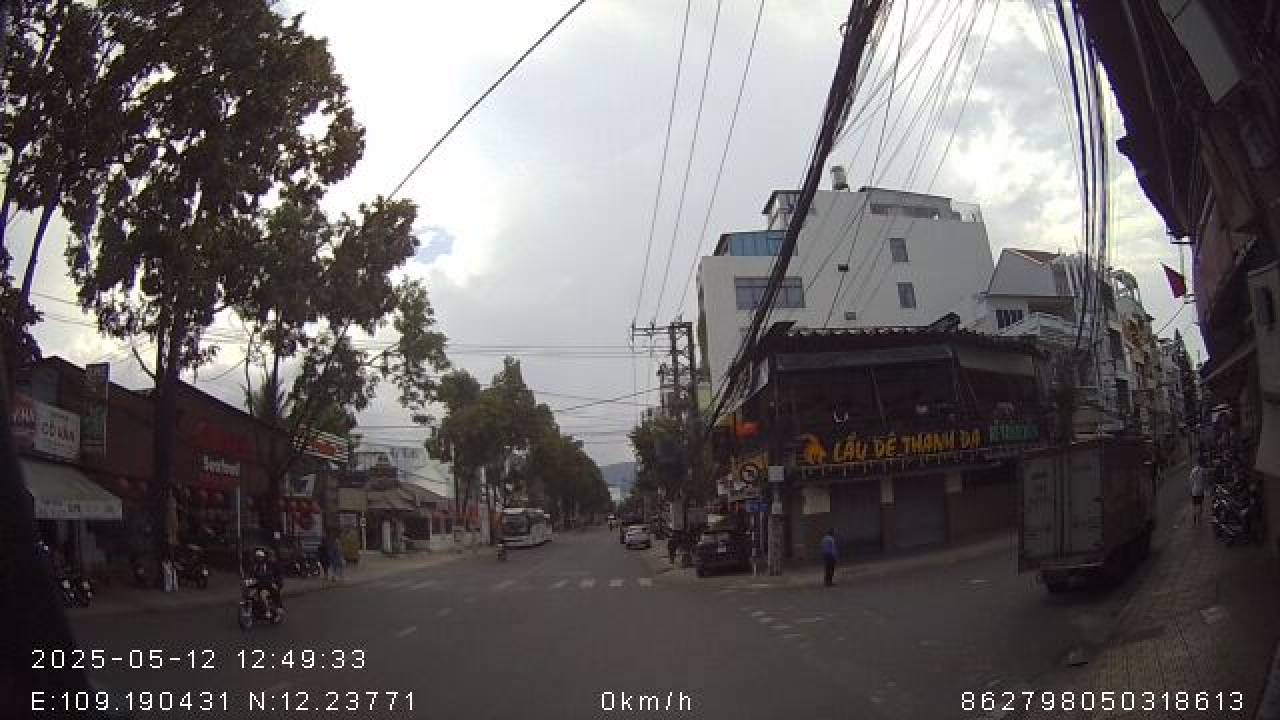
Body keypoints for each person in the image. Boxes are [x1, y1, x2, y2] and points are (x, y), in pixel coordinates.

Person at [1189, 455, 1208, 526]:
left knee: (1194, 505)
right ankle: (1199, 519)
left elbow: (1191, 481)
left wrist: (1191, 489)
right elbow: (1205, 481)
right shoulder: (1203, 470)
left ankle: (1194, 518)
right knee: (1200, 505)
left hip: (1194, 490)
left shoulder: (1193, 470)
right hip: (1200, 490)